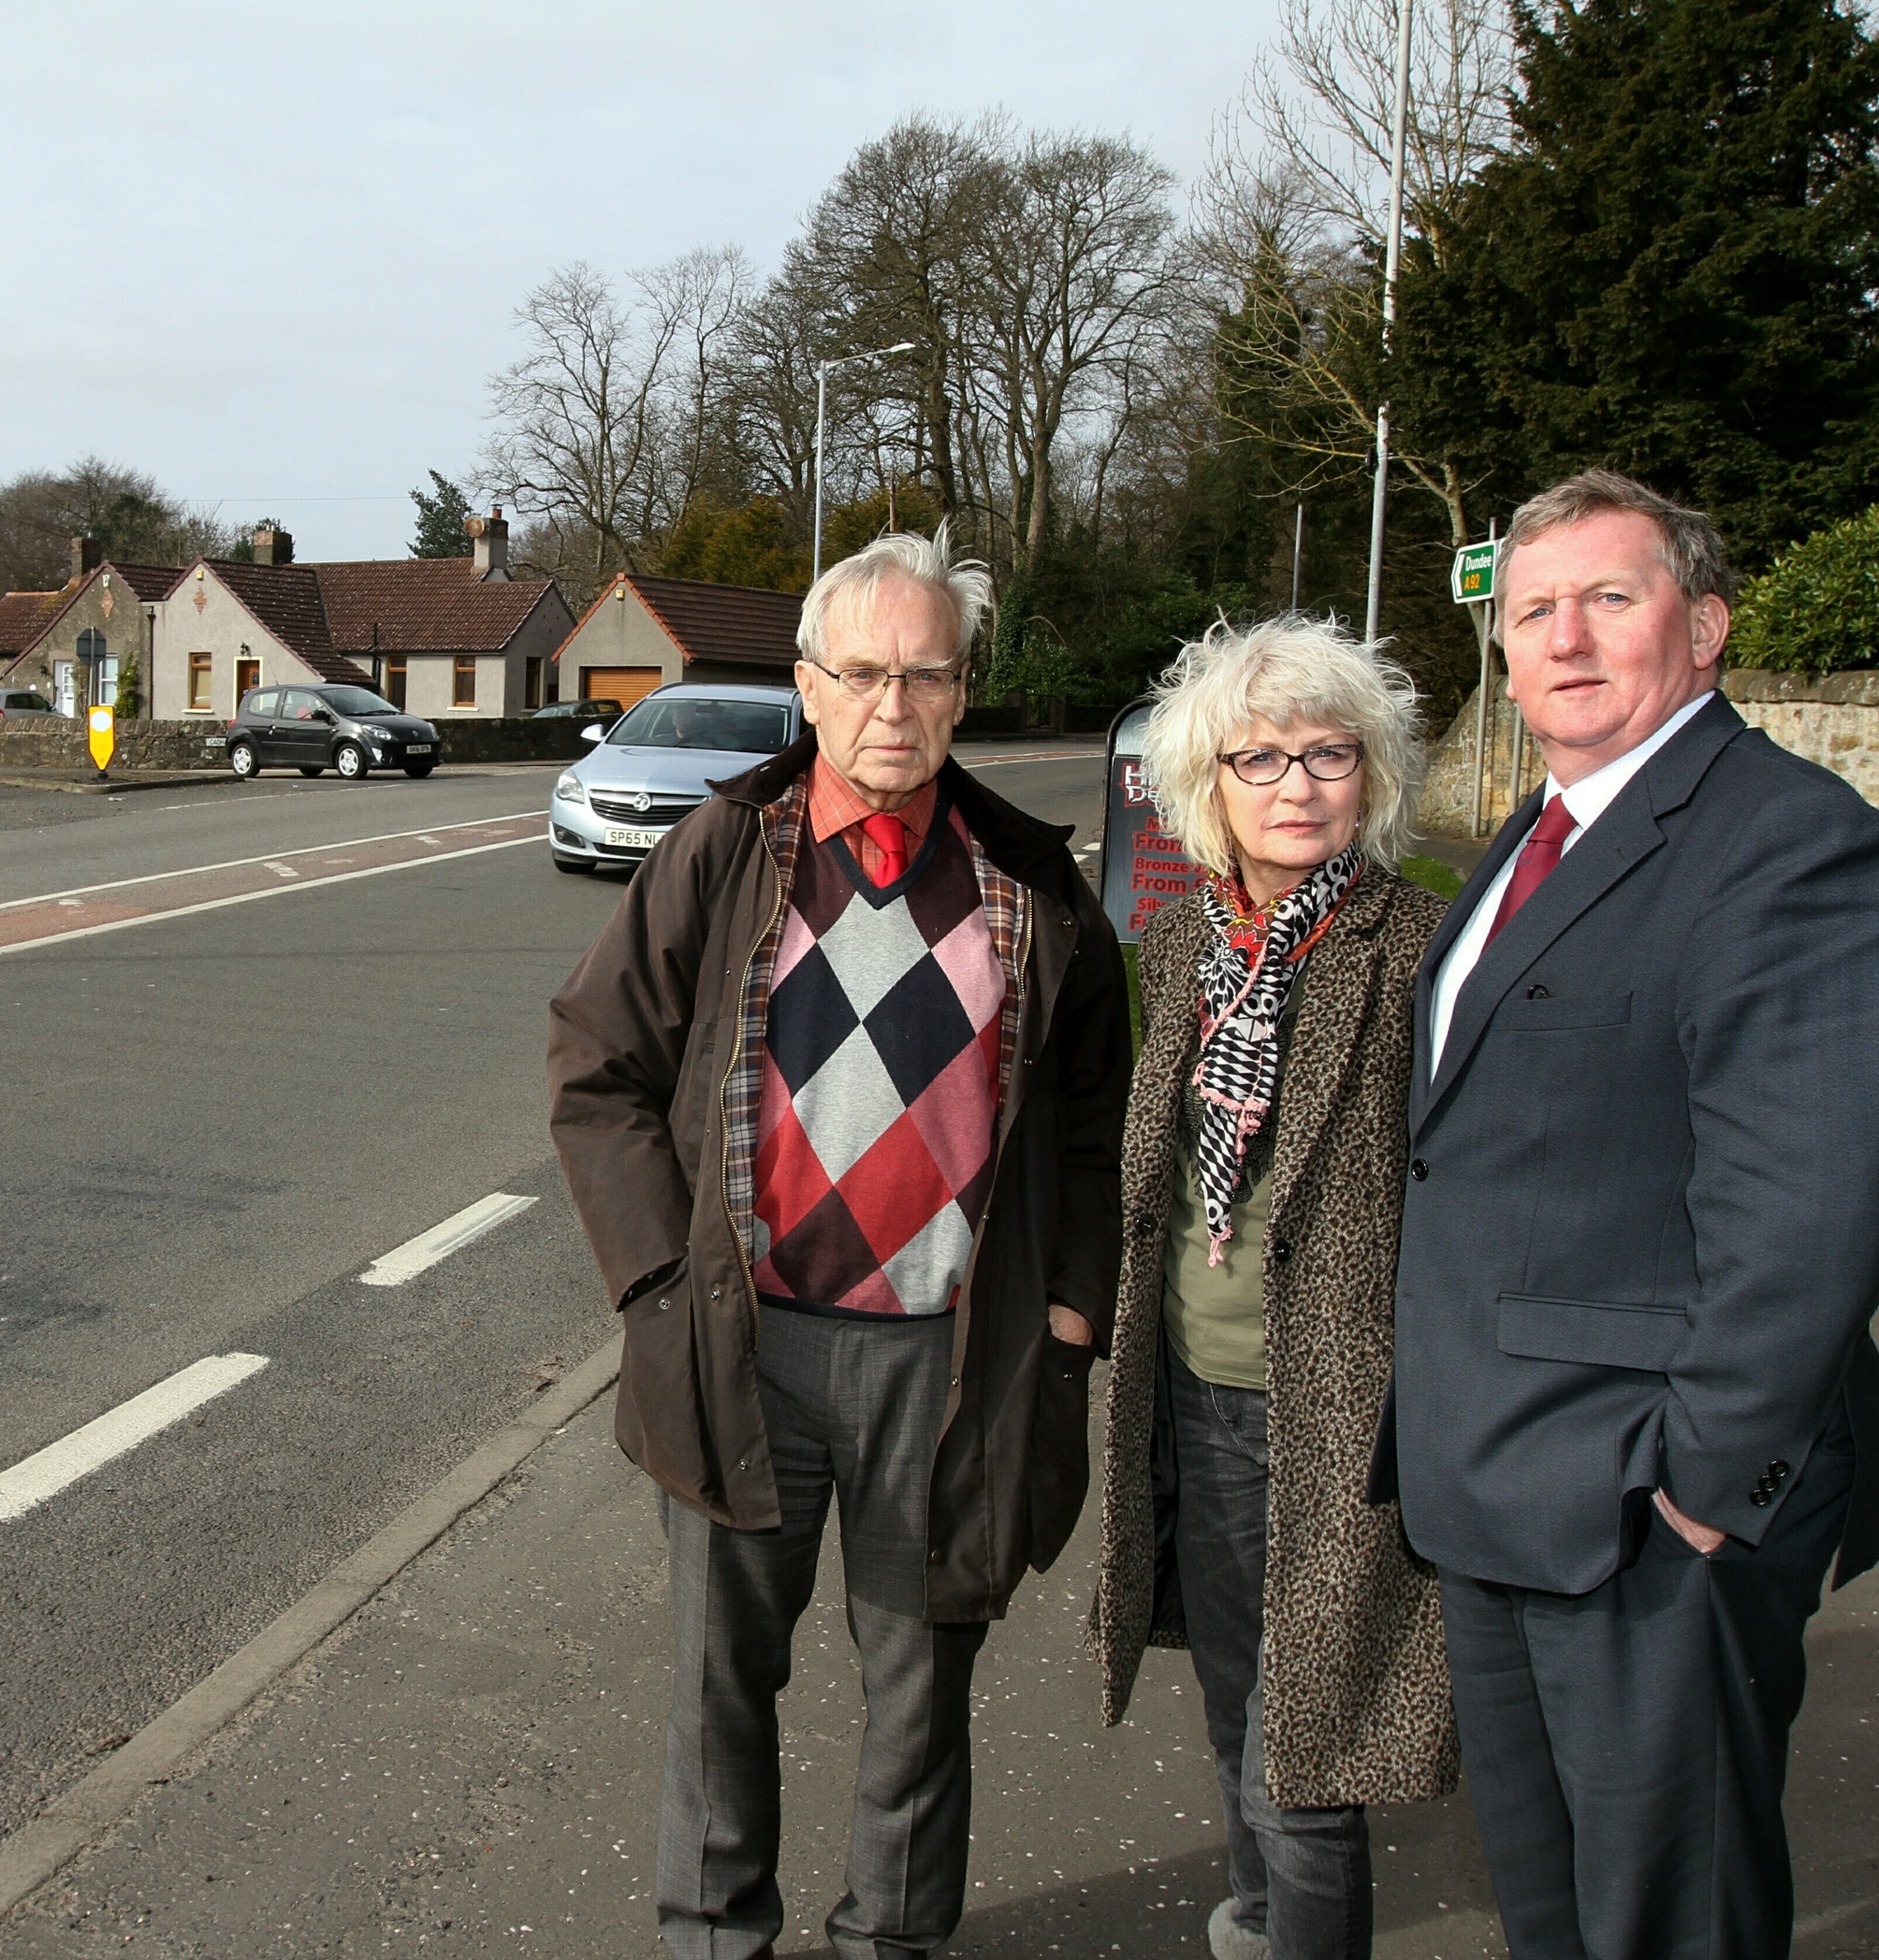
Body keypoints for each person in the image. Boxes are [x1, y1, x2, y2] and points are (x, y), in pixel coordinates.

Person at [547, 525, 1131, 1960]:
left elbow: (1093, 1129)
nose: (894, 706)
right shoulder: (719, 855)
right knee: (712, 1688)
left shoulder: (1036, 887)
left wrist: (1068, 1313)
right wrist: (658, 1286)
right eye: (862, 672)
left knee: (920, 1700)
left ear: (963, 688)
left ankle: (894, 1942)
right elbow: (595, 1063)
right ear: (806, 685)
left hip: (949, 1365)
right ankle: (714, 1937)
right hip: (746, 1348)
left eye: (925, 675)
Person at [1381, 470, 1879, 1958]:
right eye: (1534, 610)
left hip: (1642, 1510)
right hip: (1494, 1490)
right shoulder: (1534, 831)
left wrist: (1702, 1486)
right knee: (1551, 1914)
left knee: (1669, 1923)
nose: (1565, 638)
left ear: (1705, 629)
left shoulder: (1789, 845)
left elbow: (1806, 1208)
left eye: (1610, 600)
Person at [1081, 617, 1456, 1960]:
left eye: (1327, 754)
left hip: (1345, 1411)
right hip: (1194, 1390)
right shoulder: (1181, 945)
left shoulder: (1423, 947)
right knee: (1239, 1704)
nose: (1295, 785)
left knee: (1310, 1747)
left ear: (1375, 773)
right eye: (1259, 758)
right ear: (1206, 785)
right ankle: (1255, 1924)